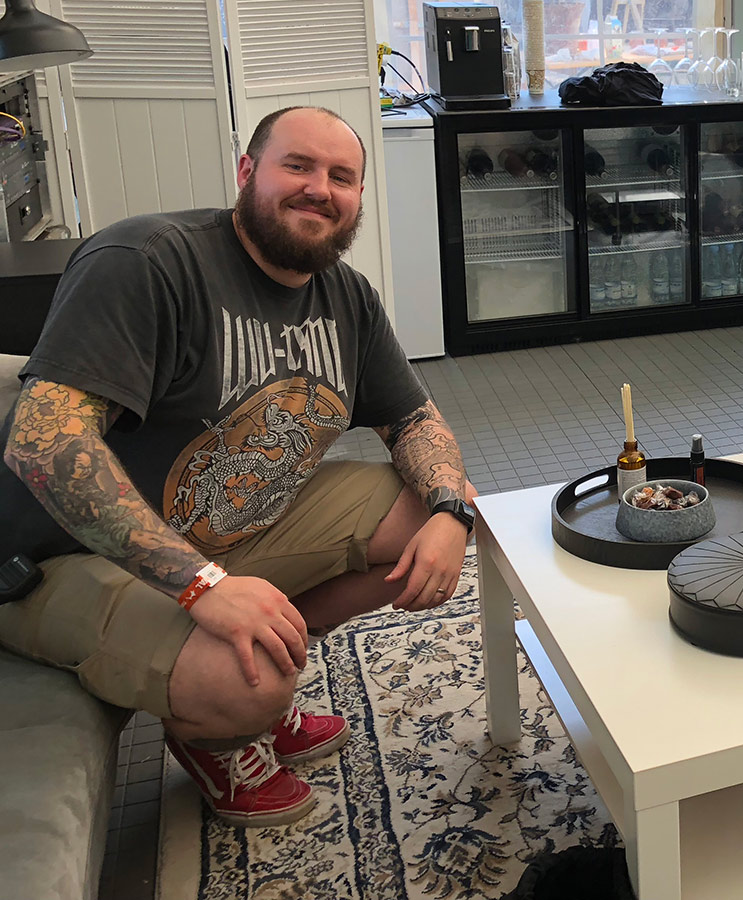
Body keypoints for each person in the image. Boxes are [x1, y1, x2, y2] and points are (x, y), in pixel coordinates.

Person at [0, 106, 479, 828]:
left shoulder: (346, 296)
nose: (320, 188)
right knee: (244, 684)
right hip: (56, 558)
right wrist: (202, 588)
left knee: (436, 506)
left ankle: (253, 655)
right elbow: (43, 442)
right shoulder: (147, 261)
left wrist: (450, 513)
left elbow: (413, 421)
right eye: (299, 166)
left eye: (342, 176)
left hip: (216, 527)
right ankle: (218, 730)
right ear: (247, 172)